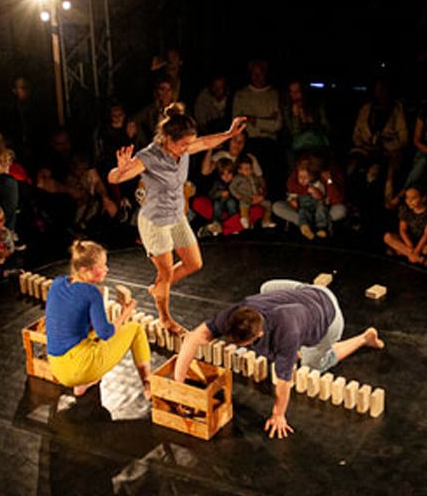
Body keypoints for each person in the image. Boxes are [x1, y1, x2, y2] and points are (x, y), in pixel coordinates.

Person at [176, 279, 384, 439]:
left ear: (259, 335)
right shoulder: (236, 313)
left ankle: (364, 338)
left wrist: (278, 415)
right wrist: (179, 386)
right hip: (307, 292)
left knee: (312, 366)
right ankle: (303, 330)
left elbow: (284, 382)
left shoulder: (286, 333)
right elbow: (193, 339)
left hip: (328, 317)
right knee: (267, 287)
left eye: (243, 344)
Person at [106, 105, 249, 332]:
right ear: (167, 139)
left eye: (188, 144)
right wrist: (121, 169)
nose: (186, 149)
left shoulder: (184, 147)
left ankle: (159, 288)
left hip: (176, 216)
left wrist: (229, 134)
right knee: (165, 272)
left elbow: (205, 143)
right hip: (155, 222)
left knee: (194, 263)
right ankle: (165, 317)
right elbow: (114, 179)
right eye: (182, 144)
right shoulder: (149, 156)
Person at [43, 240, 152, 397]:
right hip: (80, 367)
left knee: (91, 334)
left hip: (57, 368)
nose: (106, 269)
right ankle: (148, 384)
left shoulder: (57, 283)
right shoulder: (91, 293)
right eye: (101, 266)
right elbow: (106, 333)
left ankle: (83, 383)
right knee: (135, 329)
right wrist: (125, 313)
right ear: (85, 270)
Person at [383, 184, 427, 264]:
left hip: (423, 242)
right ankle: (417, 258)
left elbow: (426, 234)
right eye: (407, 198)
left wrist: (417, 250)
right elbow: (402, 230)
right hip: (409, 240)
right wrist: (409, 244)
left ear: (423, 198)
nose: (409, 201)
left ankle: (404, 253)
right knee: (387, 237)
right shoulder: (405, 209)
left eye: (413, 198)